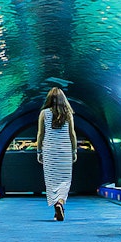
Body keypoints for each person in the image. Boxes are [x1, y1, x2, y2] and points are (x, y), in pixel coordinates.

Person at [36, 87, 77, 221]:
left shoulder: (44, 113)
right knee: (65, 181)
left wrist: (39, 151)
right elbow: (72, 134)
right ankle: (60, 203)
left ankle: (56, 209)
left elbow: (40, 134)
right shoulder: (68, 114)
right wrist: (74, 151)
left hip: (50, 151)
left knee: (51, 181)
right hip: (64, 151)